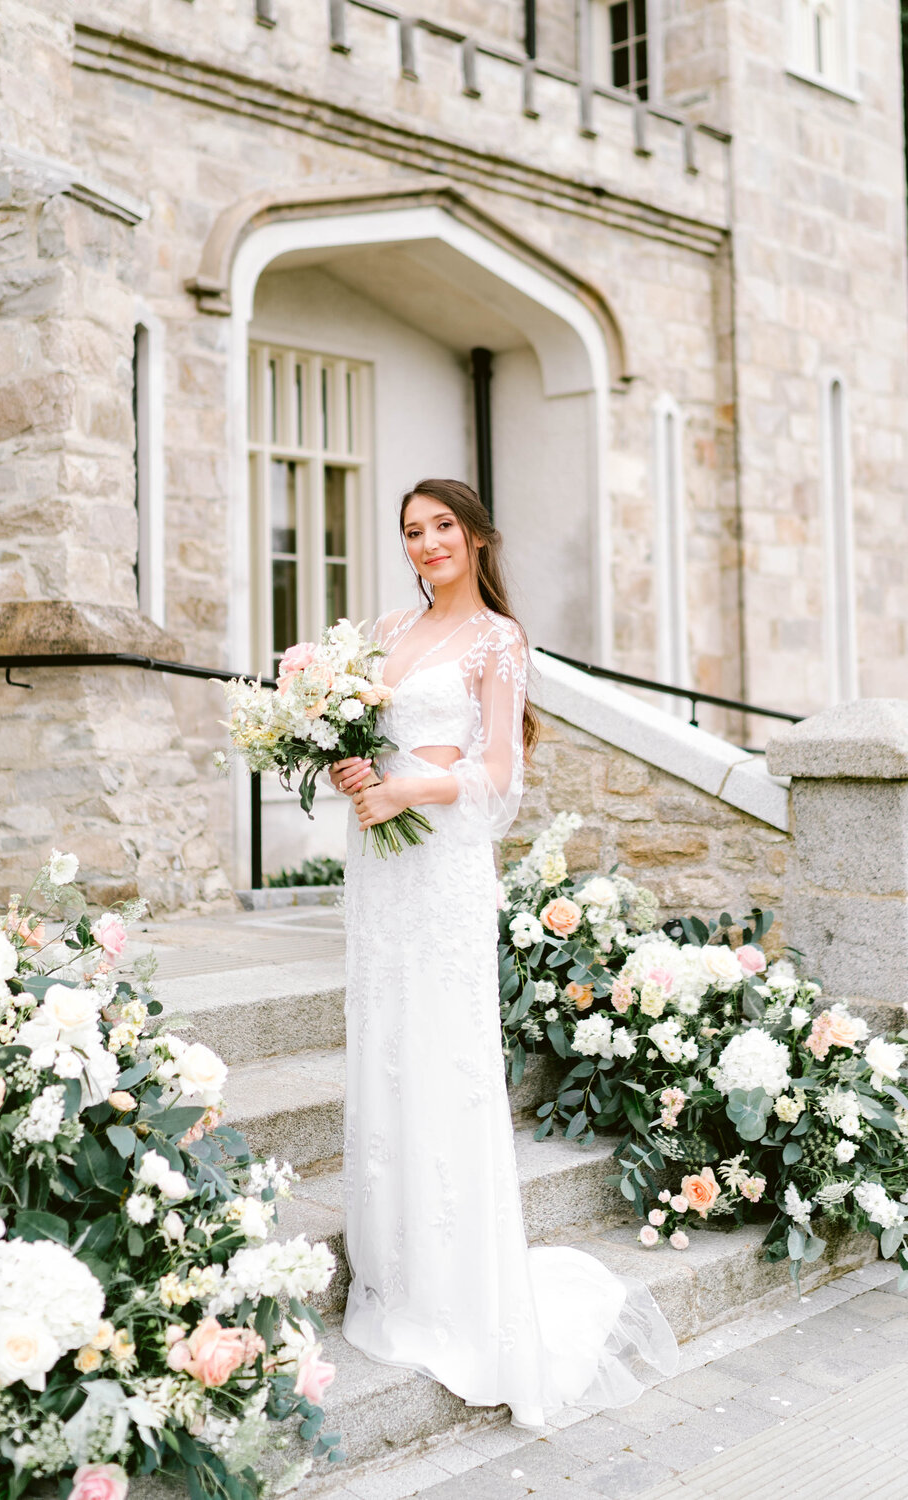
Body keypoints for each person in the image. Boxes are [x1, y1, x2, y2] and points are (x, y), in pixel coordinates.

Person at [328, 478, 677, 1427]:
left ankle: (458, 1290)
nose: (427, 541)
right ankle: (395, 1275)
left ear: (478, 538)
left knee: (443, 1053)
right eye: (412, 530)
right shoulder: (389, 631)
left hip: (440, 868)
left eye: (443, 526)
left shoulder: (498, 638)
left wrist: (409, 792)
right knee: (388, 1045)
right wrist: (355, 767)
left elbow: (497, 775)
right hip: (381, 870)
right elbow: (374, 738)